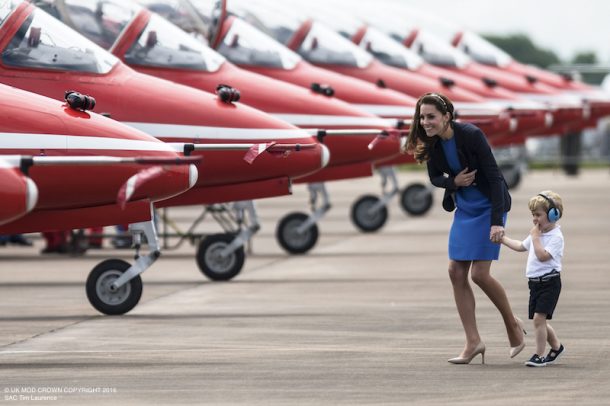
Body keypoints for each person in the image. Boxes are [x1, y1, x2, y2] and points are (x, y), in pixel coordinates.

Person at [406, 92, 524, 364]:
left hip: (488, 207)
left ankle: (512, 324)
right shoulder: (432, 143)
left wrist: (497, 220)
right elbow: (435, 177)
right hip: (465, 209)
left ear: (447, 116)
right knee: (455, 271)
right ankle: (473, 342)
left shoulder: (471, 135)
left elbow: (494, 176)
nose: (425, 122)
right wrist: (454, 182)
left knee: (480, 275)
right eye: (422, 117)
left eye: (431, 117)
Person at [501, 191, 565, 367]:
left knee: (539, 319)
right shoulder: (537, 233)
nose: (534, 219)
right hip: (535, 284)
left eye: (538, 215)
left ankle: (539, 355)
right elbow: (521, 246)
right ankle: (557, 347)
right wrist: (503, 239)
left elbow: (543, 256)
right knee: (539, 320)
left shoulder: (555, 237)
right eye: (533, 215)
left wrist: (536, 238)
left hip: (549, 283)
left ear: (553, 214)